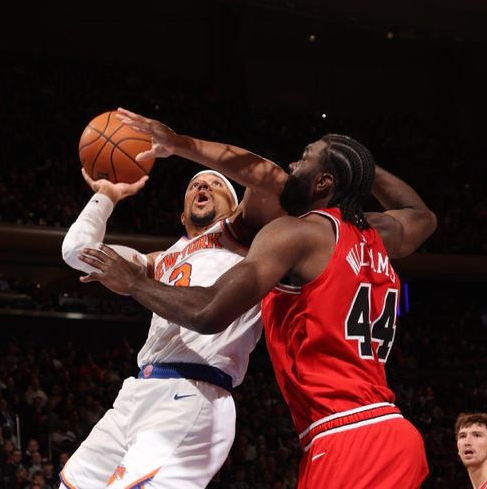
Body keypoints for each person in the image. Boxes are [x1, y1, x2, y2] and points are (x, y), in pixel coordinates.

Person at [77, 109, 437, 488]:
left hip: (345, 434)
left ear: (323, 181)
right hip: (393, 433)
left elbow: (207, 311)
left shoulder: (295, 235)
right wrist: (356, 161)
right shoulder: (378, 232)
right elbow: (421, 216)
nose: (293, 164)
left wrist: (134, 282)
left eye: (305, 158)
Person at [59, 161, 277, 488]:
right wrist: (106, 195)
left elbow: (265, 178)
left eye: (214, 185)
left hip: (194, 391)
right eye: (194, 185)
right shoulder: (161, 259)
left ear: (236, 208)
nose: (202, 188)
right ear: (182, 216)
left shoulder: (240, 235)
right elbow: (77, 251)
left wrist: (181, 146)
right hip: (138, 393)